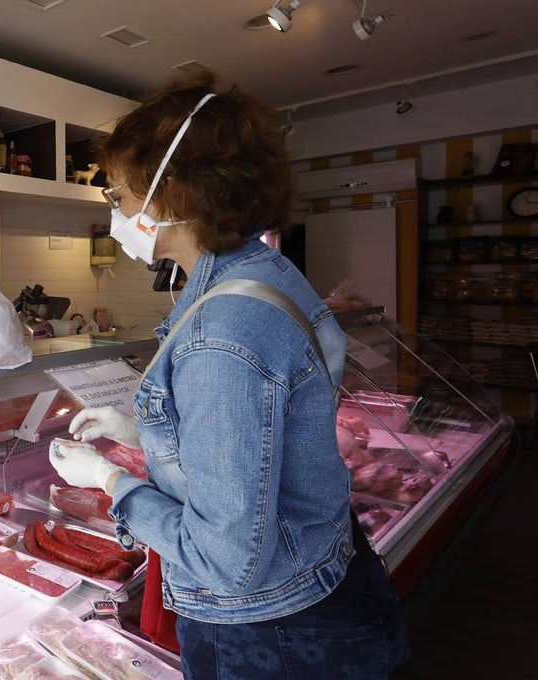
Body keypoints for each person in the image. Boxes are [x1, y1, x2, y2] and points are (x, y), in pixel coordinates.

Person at [49, 71, 409, 678]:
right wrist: (145, 433)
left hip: (273, 633)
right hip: (319, 586)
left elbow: (226, 560)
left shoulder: (222, 331)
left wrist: (112, 482)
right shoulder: (262, 271)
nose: (120, 210)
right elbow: (260, 437)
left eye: (120, 195)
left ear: (174, 195)